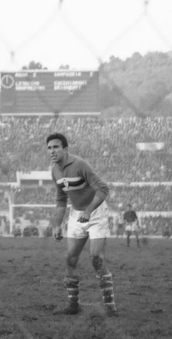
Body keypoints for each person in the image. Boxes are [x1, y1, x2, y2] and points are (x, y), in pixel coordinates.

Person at [47, 132, 117, 317]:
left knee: (96, 258)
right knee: (70, 258)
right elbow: (61, 199)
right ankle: (73, 305)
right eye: (49, 148)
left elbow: (103, 189)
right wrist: (57, 224)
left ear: (65, 149)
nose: (52, 151)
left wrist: (89, 211)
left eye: (55, 147)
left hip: (96, 213)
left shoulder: (80, 164)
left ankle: (110, 306)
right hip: (76, 215)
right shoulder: (54, 170)